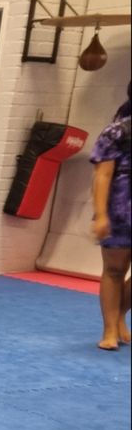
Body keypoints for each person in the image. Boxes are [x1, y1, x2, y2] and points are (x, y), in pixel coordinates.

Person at [89, 88, 131, 350]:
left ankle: (119, 315)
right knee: (115, 270)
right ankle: (109, 330)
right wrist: (101, 214)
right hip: (121, 209)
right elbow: (102, 175)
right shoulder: (117, 132)